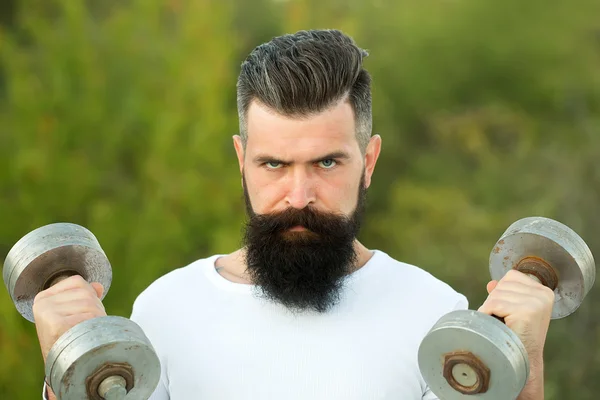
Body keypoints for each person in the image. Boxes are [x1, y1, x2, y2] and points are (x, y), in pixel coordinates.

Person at [35, 29, 554, 400]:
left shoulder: (434, 314)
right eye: (274, 165)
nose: (299, 194)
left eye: (327, 162)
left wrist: (525, 366)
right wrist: (60, 364)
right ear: (242, 161)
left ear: (368, 162)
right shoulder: (166, 309)